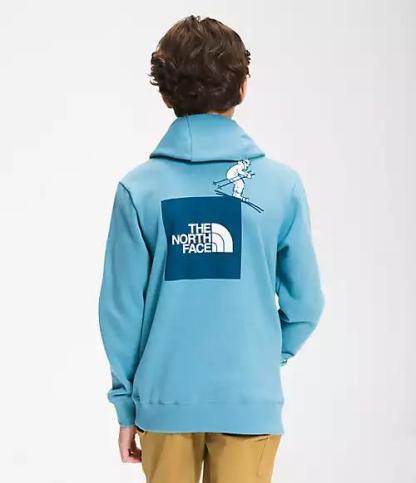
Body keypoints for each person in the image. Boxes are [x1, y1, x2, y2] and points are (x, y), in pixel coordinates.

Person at [99, 15, 324, 483]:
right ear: (242, 87)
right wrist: (263, 356)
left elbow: (121, 312)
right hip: (249, 399)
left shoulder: (138, 190)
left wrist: (125, 403)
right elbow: (306, 305)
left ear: (166, 94)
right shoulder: (281, 186)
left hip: (163, 401)